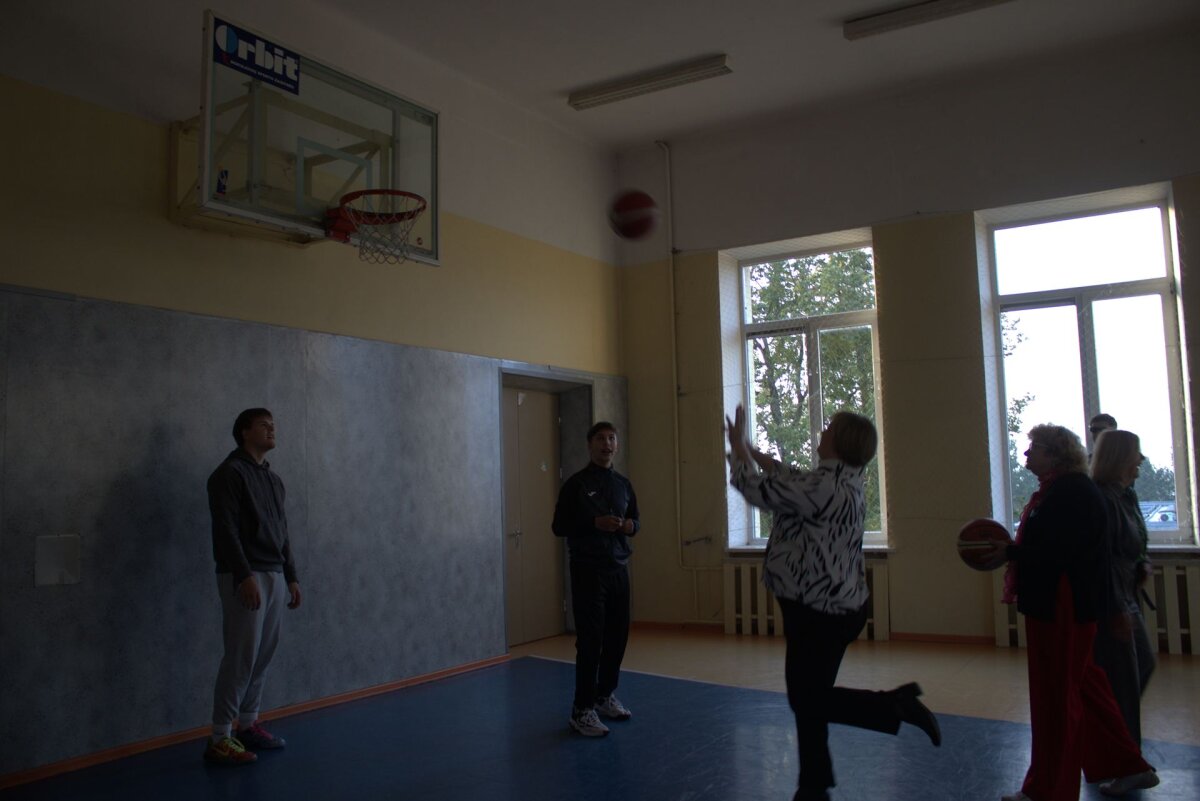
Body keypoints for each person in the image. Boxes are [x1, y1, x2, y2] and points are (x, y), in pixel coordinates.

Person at [726, 407, 940, 801]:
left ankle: (894, 707)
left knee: (806, 698)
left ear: (839, 443)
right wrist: (751, 450)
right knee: (812, 698)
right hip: (830, 608)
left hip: (819, 612)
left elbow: (756, 490)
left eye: (829, 429)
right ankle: (813, 786)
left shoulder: (824, 487)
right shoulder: (838, 479)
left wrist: (739, 452)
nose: (823, 432)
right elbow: (789, 475)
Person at [989, 424, 1157, 801]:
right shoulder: (1062, 490)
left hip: (1061, 606)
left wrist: (1010, 553)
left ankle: (1049, 789)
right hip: (1063, 604)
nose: (1026, 454)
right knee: (1086, 687)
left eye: (1035, 447)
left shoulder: (1070, 493)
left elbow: (1059, 553)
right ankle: (1129, 764)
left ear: (1055, 453)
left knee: (1056, 698)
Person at [204, 408, 302, 765]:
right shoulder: (228, 474)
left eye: (273, 425)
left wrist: (291, 576)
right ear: (245, 432)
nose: (272, 429)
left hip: (273, 573)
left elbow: (282, 531)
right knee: (241, 656)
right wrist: (243, 575)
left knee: (263, 654)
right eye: (264, 425)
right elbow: (225, 529)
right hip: (244, 575)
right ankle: (220, 738)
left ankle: (247, 724)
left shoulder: (273, 480)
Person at [552, 421, 640, 737]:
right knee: (591, 641)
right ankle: (582, 710)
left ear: (617, 445)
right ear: (590, 445)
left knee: (617, 637)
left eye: (611, 438)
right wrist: (593, 523)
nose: (607, 444)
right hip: (588, 571)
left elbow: (636, 521)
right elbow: (559, 526)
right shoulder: (576, 485)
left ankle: (604, 696)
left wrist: (629, 527)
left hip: (618, 569)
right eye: (601, 438)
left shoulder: (623, 484)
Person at [1090, 429, 1156, 745]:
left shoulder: (1126, 496)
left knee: (1140, 666)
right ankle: (1121, 752)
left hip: (1126, 594)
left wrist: (1142, 561)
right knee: (1124, 678)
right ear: (1120, 457)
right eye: (1135, 452)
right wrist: (1117, 608)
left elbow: (1134, 541)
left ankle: (1116, 744)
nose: (1140, 458)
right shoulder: (1104, 499)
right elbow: (1102, 557)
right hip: (1114, 600)